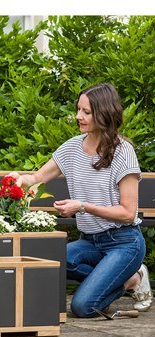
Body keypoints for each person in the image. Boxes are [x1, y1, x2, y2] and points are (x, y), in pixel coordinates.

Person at [11, 82, 152, 318]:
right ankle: (125, 279)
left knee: (83, 307)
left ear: (104, 113)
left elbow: (128, 213)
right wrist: (19, 179)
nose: (79, 116)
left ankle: (130, 278)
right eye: (78, 109)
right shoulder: (72, 148)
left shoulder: (123, 152)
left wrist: (83, 206)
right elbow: (36, 177)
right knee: (51, 260)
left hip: (123, 242)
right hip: (89, 242)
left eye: (86, 112)